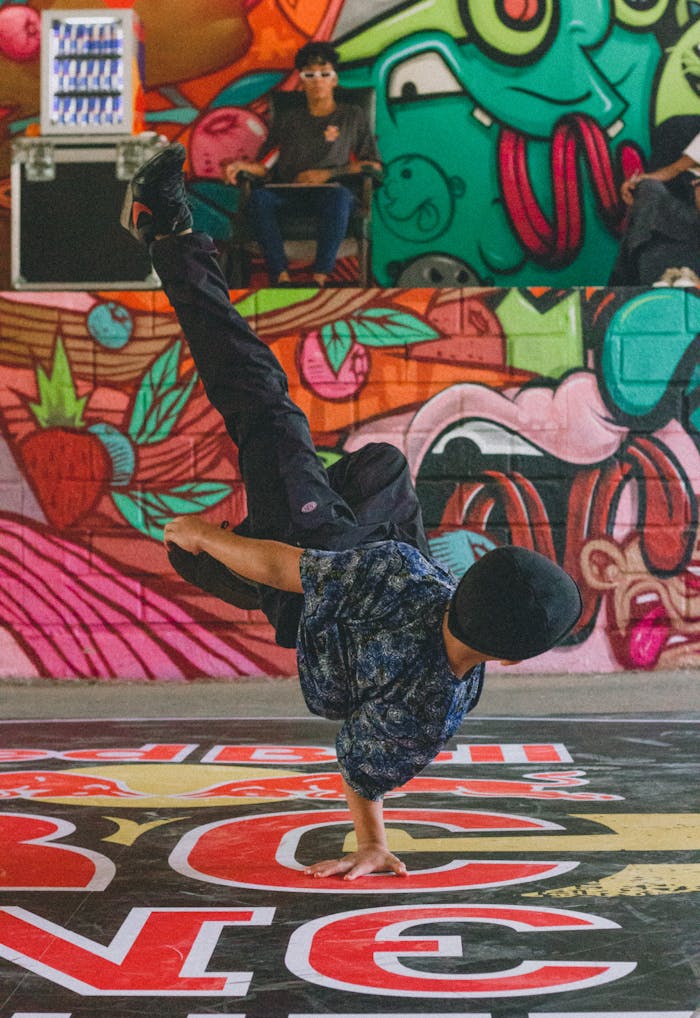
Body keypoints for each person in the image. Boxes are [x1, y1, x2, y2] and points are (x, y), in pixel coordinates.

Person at [122, 143, 583, 880]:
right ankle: (249, 554)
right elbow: (361, 768)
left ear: (459, 586)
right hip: (317, 616)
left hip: (318, 562)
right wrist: (371, 841)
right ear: (506, 658)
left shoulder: (399, 578)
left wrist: (203, 533)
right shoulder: (440, 709)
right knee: (385, 468)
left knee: (263, 404)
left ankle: (167, 233)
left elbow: (289, 564)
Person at [221, 41, 382, 287]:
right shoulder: (290, 119)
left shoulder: (351, 116)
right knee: (258, 199)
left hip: (331, 193)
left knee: (339, 197)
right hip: (288, 191)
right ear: (302, 81)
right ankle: (281, 277)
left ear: (334, 80)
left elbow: (373, 166)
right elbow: (266, 163)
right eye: (310, 75)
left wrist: (327, 174)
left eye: (324, 74)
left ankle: (319, 277)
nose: (318, 80)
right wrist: (240, 167)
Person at [609, 115, 700, 286]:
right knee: (649, 189)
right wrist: (639, 181)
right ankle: (632, 278)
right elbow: (676, 168)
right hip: (686, 207)